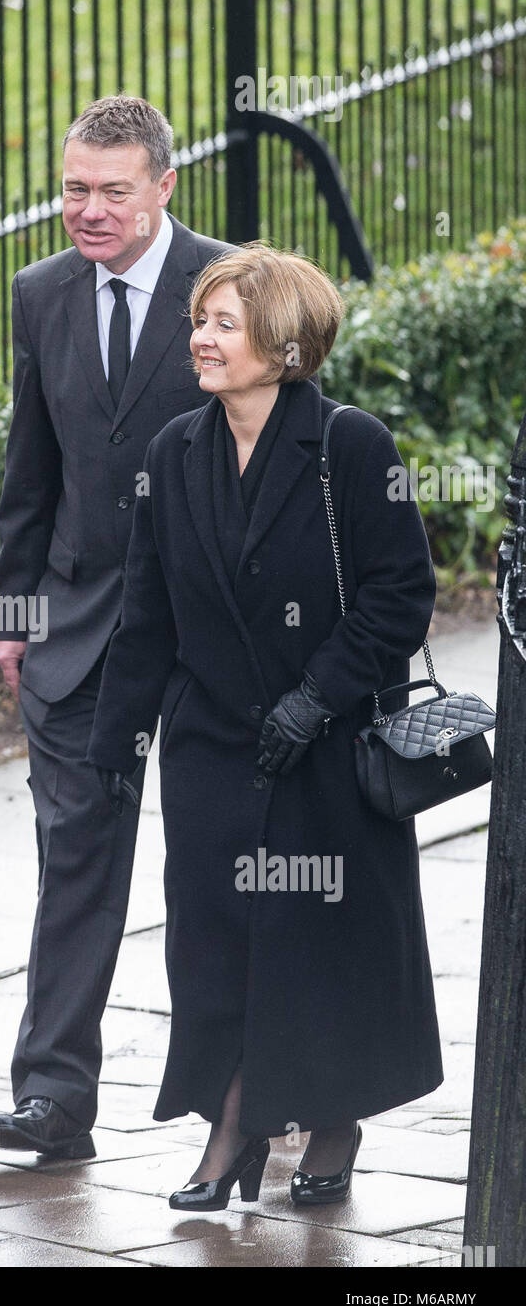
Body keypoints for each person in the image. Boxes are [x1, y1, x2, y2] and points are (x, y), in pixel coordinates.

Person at [86, 243, 443, 1209]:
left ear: (283, 346)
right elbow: (145, 617)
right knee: (217, 947)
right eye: (198, 320)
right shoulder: (174, 451)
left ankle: (333, 1120)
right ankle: (234, 1123)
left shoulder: (350, 447)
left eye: (222, 324)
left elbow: (401, 596)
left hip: (323, 750)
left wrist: (316, 695)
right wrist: (118, 746)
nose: (199, 339)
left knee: (319, 948)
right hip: (211, 754)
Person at [0, 96, 233, 1159]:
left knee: (220, 865)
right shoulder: (40, 292)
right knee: (75, 858)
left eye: (110, 192)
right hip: (79, 630)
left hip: (216, 634)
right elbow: (26, 465)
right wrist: (8, 611)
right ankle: (51, 1095)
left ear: (164, 188)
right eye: (73, 187)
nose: (86, 210)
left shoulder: (231, 290)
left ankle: (244, 1091)